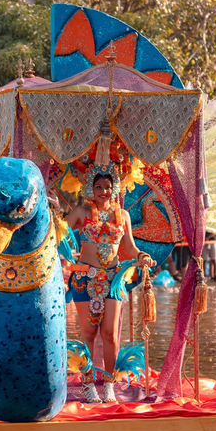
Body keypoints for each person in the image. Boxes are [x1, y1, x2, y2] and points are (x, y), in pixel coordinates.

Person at [65, 171, 155, 403]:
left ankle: (108, 384)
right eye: (99, 186)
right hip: (85, 280)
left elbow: (130, 247)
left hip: (113, 281)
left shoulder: (122, 215)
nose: (103, 191)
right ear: (90, 188)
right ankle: (88, 385)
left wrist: (141, 256)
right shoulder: (81, 213)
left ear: (114, 189)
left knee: (110, 335)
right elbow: (59, 234)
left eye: (107, 187)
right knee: (88, 333)